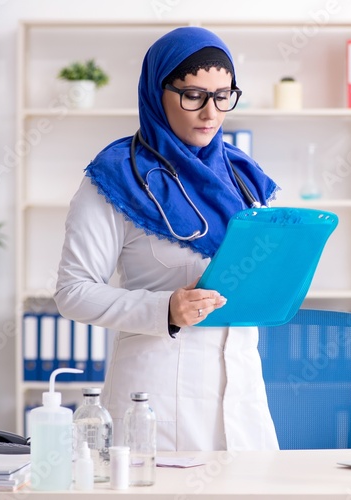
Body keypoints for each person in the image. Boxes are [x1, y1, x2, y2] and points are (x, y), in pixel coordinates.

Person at [54, 26, 280, 451]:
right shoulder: (115, 176)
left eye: (223, 95)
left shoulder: (244, 177)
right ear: (159, 91)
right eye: (193, 95)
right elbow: (72, 291)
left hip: (244, 398)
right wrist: (166, 310)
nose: (210, 113)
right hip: (157, 405)